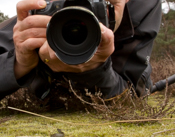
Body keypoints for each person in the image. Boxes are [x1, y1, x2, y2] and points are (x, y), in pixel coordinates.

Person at [0, 0, 161, 103]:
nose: (84, 15)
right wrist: (18, 64)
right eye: (67, 4)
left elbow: (133, 97)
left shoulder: (142, 7)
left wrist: (96, 71)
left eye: (101, 4)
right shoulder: (31, 22)